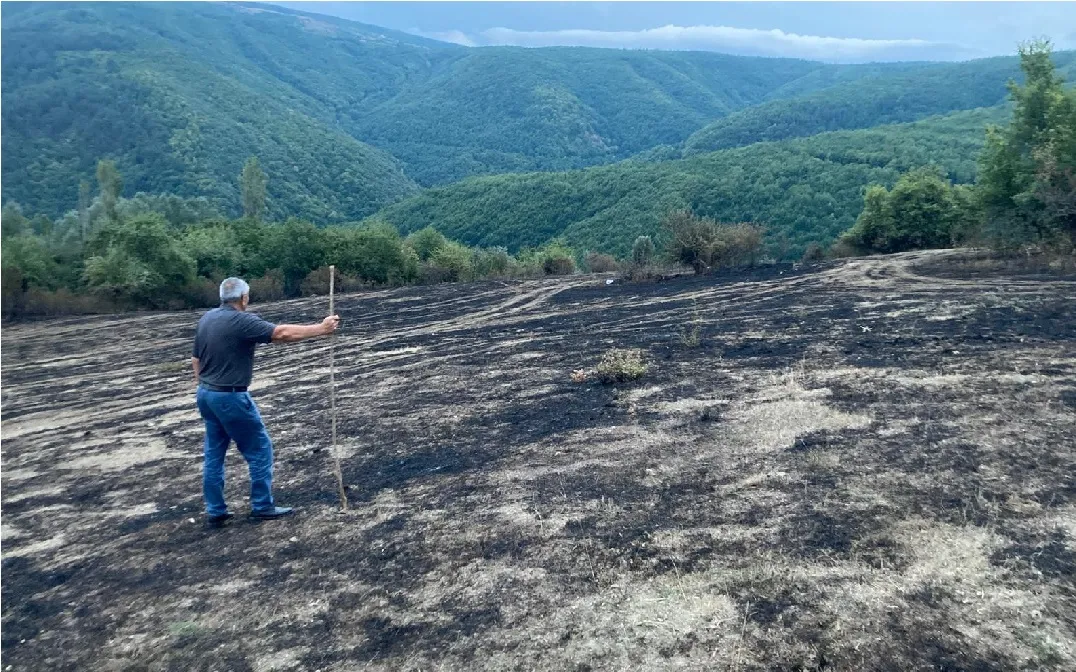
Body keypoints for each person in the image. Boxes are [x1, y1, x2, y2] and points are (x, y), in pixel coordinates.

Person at [192, 277, 340, 527]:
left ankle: (215, 510)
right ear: (244, 298)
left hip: (206, 394)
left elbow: (195, 359)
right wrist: (321, 329)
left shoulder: (207, 318)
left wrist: (207, 386)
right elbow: (281, 333)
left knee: (214, 453)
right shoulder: (240, 320)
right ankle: (262, 505)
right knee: (260, 448)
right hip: (230, 396)